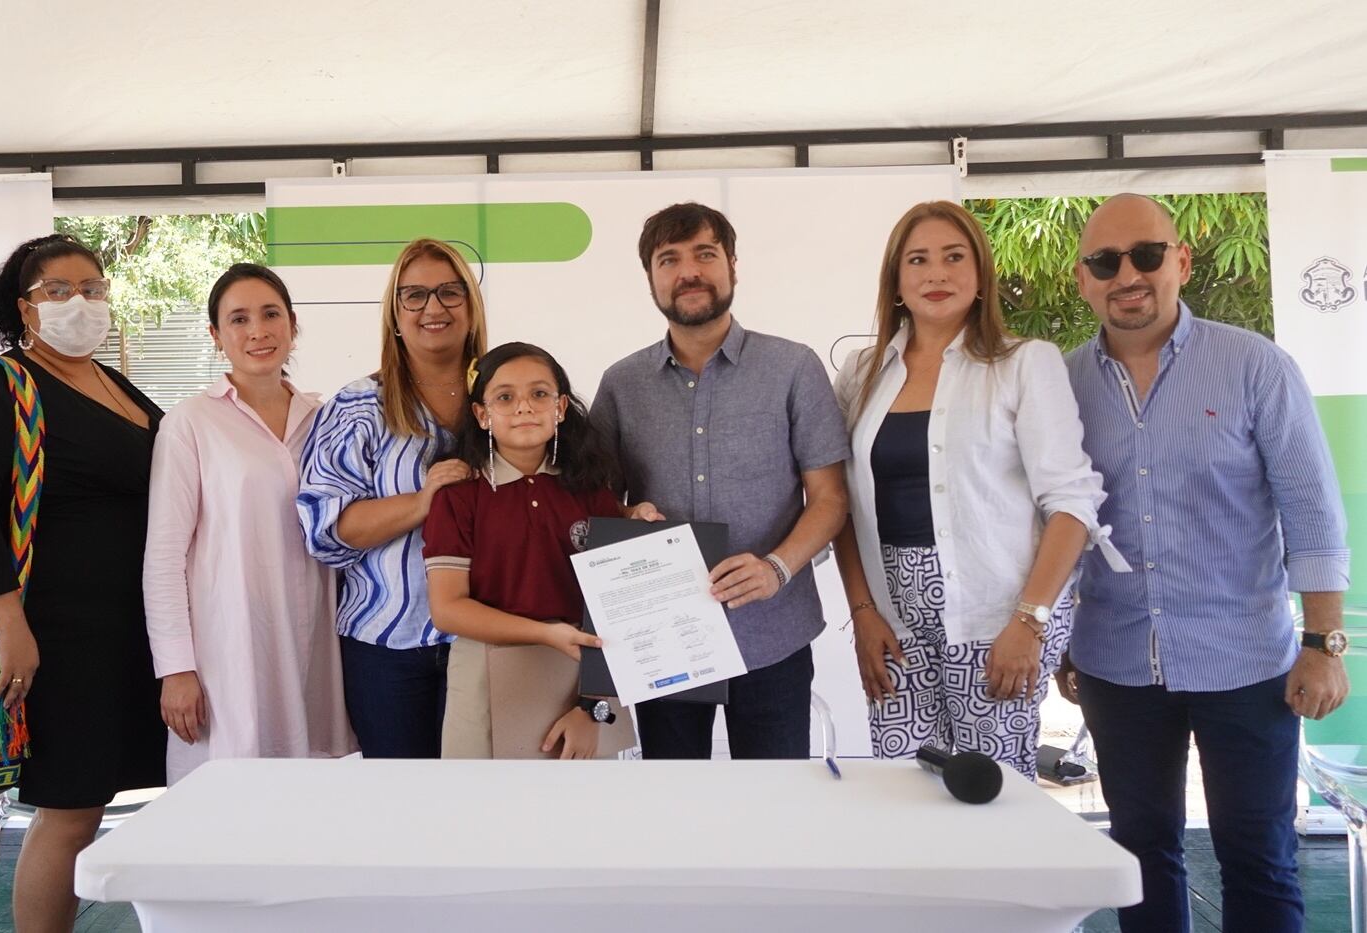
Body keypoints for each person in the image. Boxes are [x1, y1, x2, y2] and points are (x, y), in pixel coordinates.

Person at [1058, 194, 1351, 933]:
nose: (1126, 274)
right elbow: (1049, 520)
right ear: (1082, 279)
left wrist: (1321, 643)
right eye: (1105, 261)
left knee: (1257, 854)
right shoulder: (1058, 384)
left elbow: (1311, 510)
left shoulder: (1253, 365)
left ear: (1180, 261)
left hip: (1245, 661)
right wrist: (1056, 633)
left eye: (1145, 255)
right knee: (1139, 852)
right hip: (1115, 661)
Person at [829, 200, 1126, 780]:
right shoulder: (862, 374)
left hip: (999, 615)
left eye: (953, 257)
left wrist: (1029, 621)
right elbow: (840, 505)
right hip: (891, 617)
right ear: (895, 280)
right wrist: (862, 613)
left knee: (992, 788)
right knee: (904, 788)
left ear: (980, 272)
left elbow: (1071, 503)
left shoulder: (1024, 363)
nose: (936, 274)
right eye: (918, 260)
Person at [0, 233, 166, 933]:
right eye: (57, 290)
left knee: (97, 804)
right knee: (70, 812)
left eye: (92, 288)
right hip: (55, 638)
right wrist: (10, 623)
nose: (79, 302)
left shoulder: (109, 379)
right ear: (23, 307)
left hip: (130, 633)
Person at [590, 202, 851, 760]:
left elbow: (830, 500)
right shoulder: (621, 384)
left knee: (774, 812)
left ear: (732, 265)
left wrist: (777, 568)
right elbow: (595, 503)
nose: (689, 271)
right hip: (664, 639)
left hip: (773, 634)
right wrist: (625, 518)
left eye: (705, 254)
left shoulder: (794, 368)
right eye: (670, 259)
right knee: (675, 814)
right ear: (651, 278)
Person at [143, 264, 355, 779]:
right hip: (229, 653)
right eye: (238, 319)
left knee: (315, 803)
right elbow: (165, 556)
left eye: (270, 314)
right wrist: (176, 669)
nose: (258, 331)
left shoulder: (328, 418)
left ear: (293, 324)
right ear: (216, 336)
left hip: (318, 649)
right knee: (226, 812)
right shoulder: (190, 423)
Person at [423, 342, 662, 759]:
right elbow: (448, 609)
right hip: (484, 676)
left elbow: (619, 611)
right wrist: (546, 634)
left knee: (584, 818)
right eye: (505, 397)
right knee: (483, 817)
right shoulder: (458, 497)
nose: (524, 408)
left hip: (582, 681)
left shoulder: (591, 491)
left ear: (561, 407)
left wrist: (593, 710)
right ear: (482, 414)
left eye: (539, 394)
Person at [296, 238, 488, 758]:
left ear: (471, 307)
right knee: (405, 814)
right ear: (394, 314)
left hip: (489, 641)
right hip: (388, 649)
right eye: (415, 295)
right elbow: (326, 530)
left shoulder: (507, 396)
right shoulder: (358, 406)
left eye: (450, 293)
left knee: (490, 808)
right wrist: (423, 502)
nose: (433, 308)